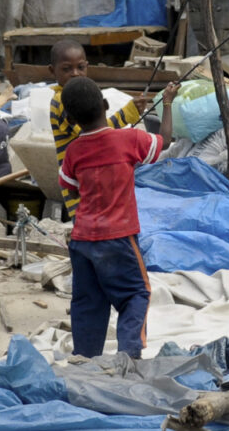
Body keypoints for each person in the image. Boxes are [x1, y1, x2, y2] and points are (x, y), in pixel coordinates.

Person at [57, 75, 178, 359]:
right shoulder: (130, 139)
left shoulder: (73, 150)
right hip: (119, 238)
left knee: (88, 302)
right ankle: (128, 359)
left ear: (71, 118)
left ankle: (85, 361)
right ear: (105, 104)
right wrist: (167, 103)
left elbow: (69, 186)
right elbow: (166, 141)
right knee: (136, 294)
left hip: (82, 241)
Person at [48, 39, 149, 218]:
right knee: (89, 229)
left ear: (87, 66)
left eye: (80, 67)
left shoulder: (78, 96)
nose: (75, 74)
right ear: (52, 71)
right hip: (79, 186)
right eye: (66, 69)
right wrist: (127, 114)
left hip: (91, 182)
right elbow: (95, 134)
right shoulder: (63, 100)